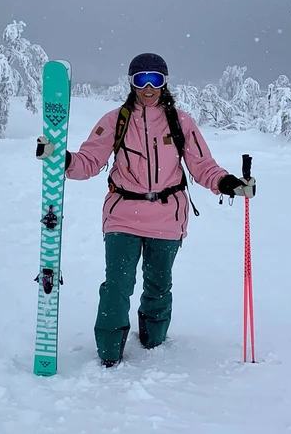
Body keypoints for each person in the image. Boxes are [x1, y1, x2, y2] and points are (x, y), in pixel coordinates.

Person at [36, 52, 256, 367]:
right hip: (123, 216)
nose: (149, 87)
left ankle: (154, 341)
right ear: (132, 82)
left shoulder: (181, 122)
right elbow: (89, 161)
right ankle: (109, 351)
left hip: (168, 218)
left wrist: (230, 184)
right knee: (117, 285)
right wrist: (61, 158)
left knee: (158, 283)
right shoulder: (115, 120)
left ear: (164, 82)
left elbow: (202, 166)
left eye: (156, 80)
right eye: (142, 80)